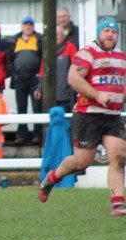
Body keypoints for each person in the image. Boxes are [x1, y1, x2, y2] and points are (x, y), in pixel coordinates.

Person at [39, 18, 126, 215]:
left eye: (114, 32)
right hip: (88, 116)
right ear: (99, 33)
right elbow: (74, 79)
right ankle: (52, 177)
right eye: (106, 31)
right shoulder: (88, 52)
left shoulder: (121, 56)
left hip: (112, 116)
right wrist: (97, 95)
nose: (110, 35)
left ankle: (118, 204)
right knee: (80, 163)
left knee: (120, 155)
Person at [10, 16, 43, 144]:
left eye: (30, 25)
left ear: (33, 27)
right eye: (26, 24)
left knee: (37, 108)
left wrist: (40, 75)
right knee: (21, 108)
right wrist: (14, 74)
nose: (28, 27)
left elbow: (43, 59)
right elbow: (9, 59)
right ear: (21, 26)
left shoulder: (39, 39)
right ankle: (22, 134)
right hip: (20, 79)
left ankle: (37, 134)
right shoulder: (15, 40)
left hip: (35, 79)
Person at [35, 25, 79, 113]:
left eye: (58, 35)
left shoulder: (70, 47)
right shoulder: (47, 50)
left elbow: (78, 68)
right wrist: (39, 88)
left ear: (64, 36)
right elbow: (42, 71)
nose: (55, 37)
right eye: (53, 35)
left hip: (66, 96)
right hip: (50, 96)